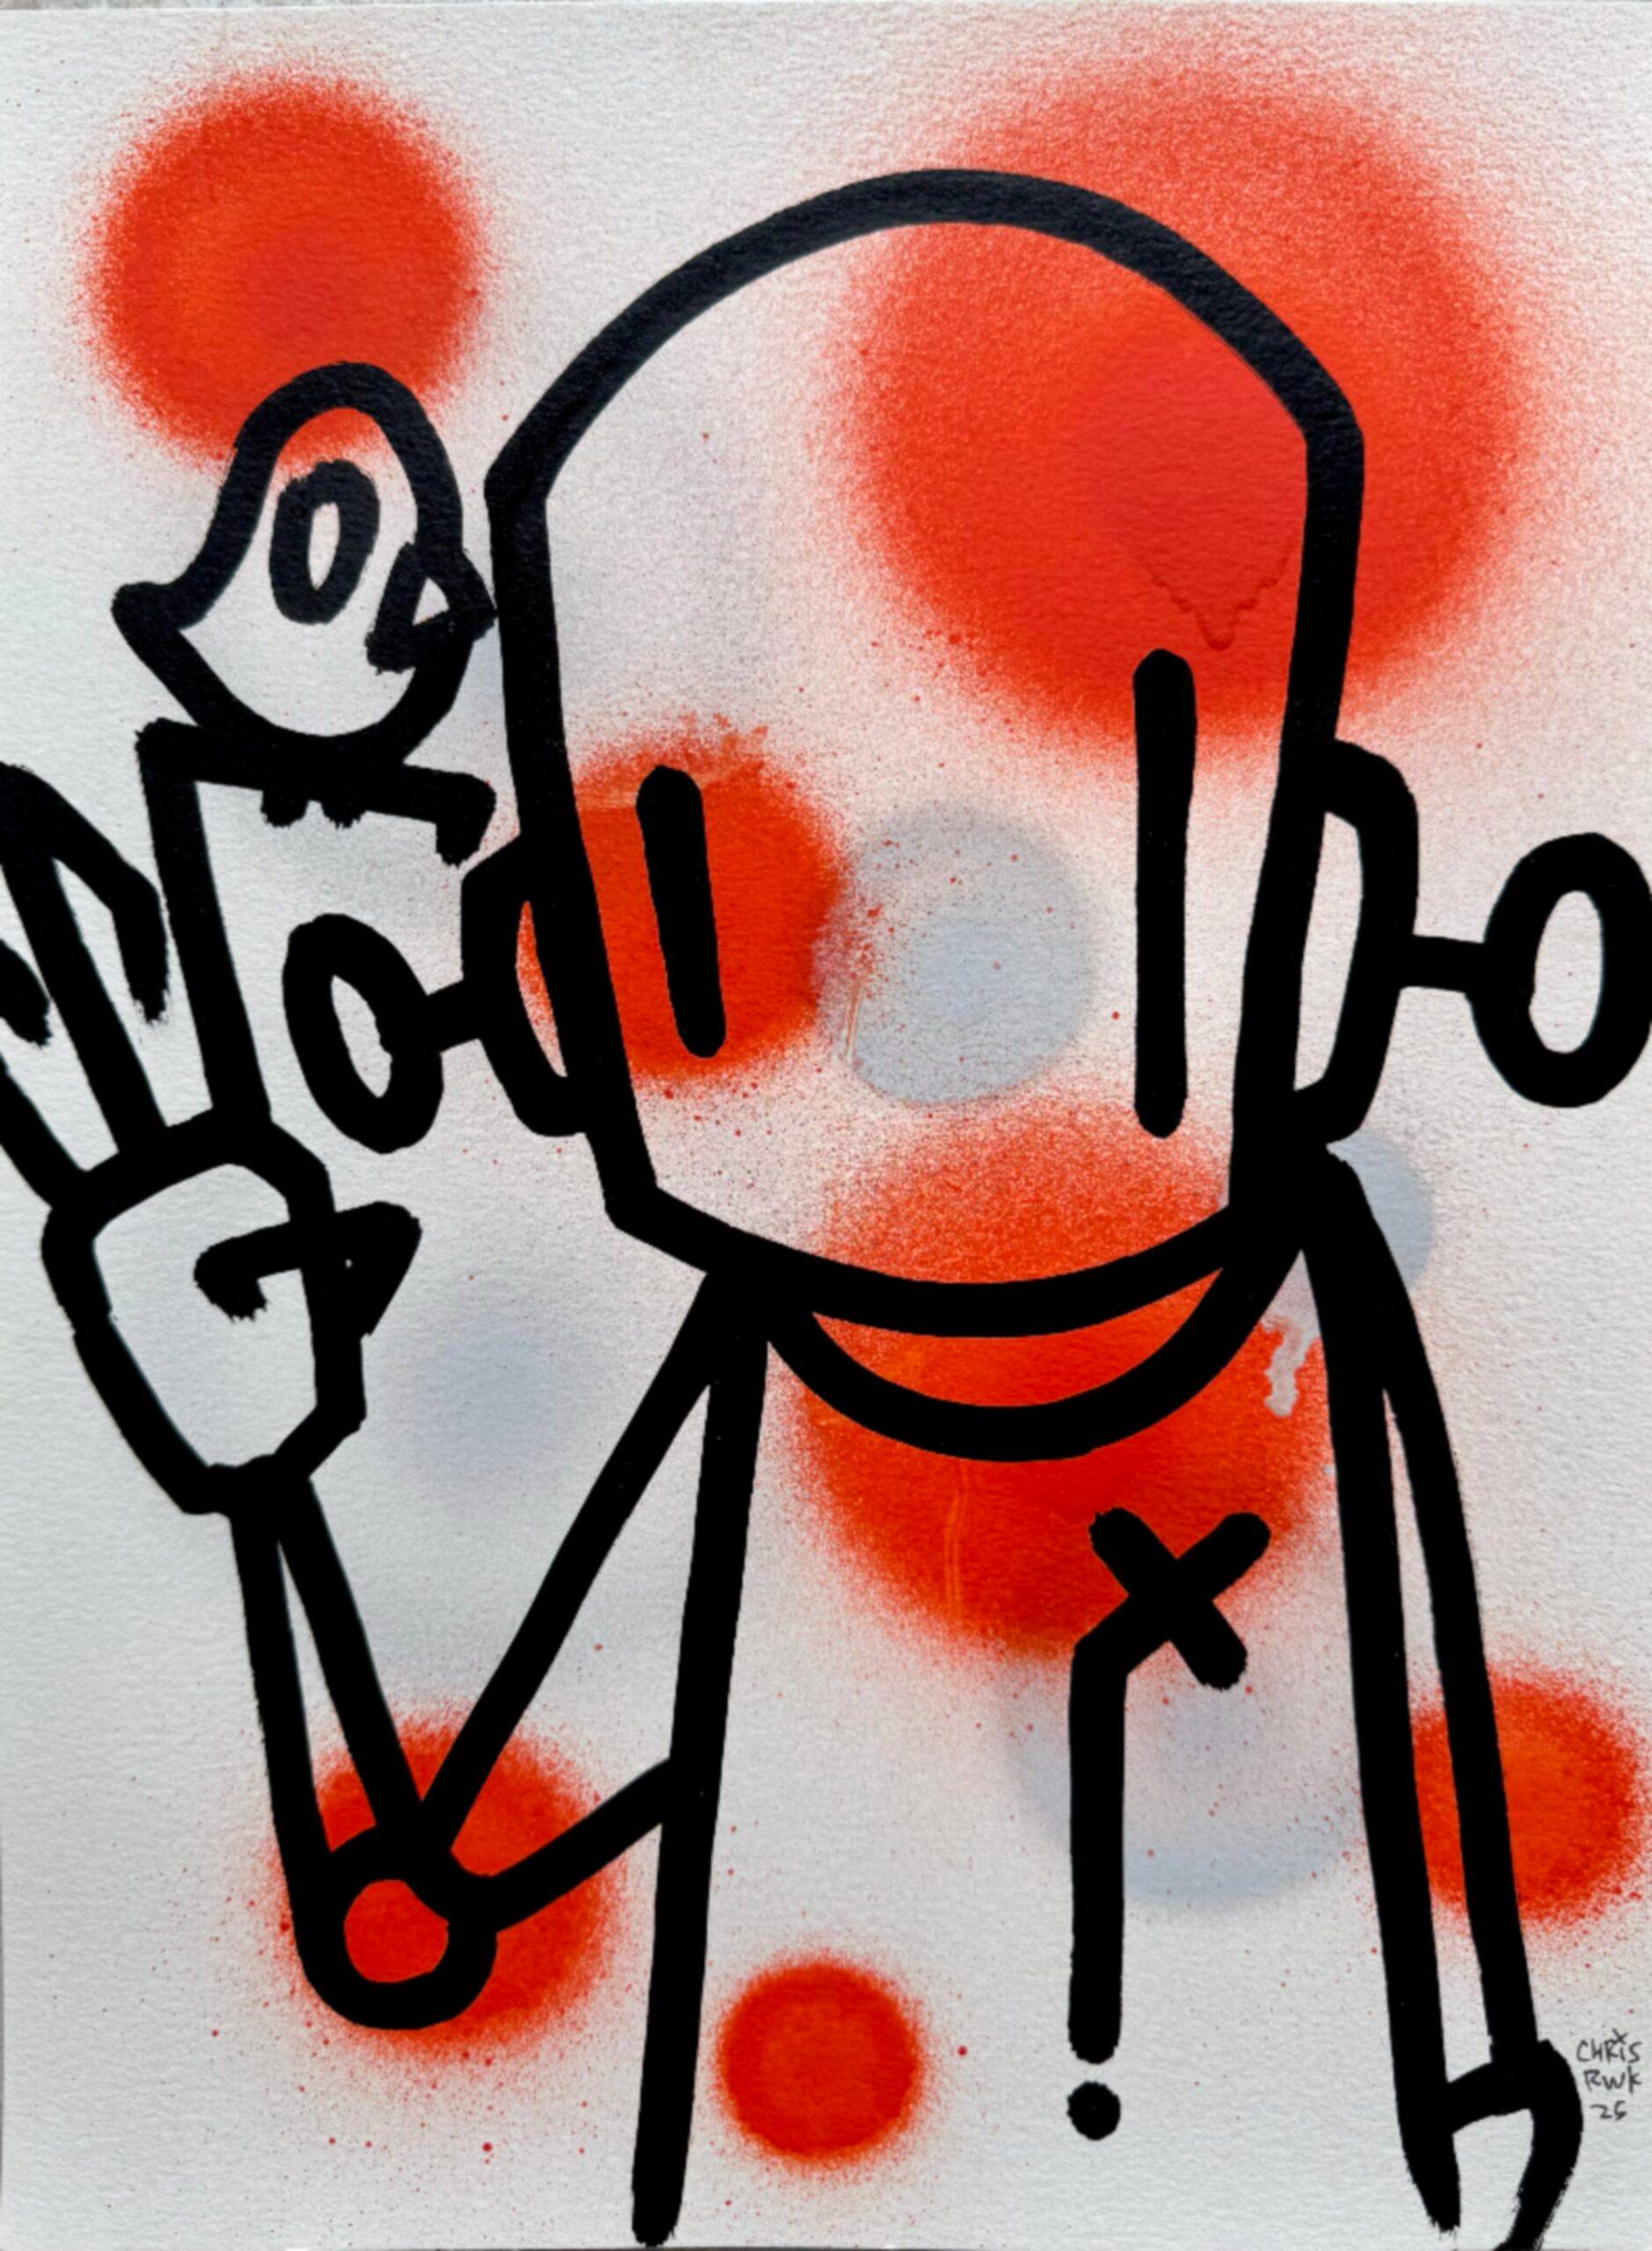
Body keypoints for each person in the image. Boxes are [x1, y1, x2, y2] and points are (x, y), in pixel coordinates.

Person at [3, 171, 1648, 2250]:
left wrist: (1513, 2092)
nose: (879, 956)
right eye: (646, 891)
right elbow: (412, 1905)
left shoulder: (1323, 1325)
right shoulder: (750, 1357)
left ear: (1319, 895)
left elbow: (1469, 1918)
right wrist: (254, 1463)